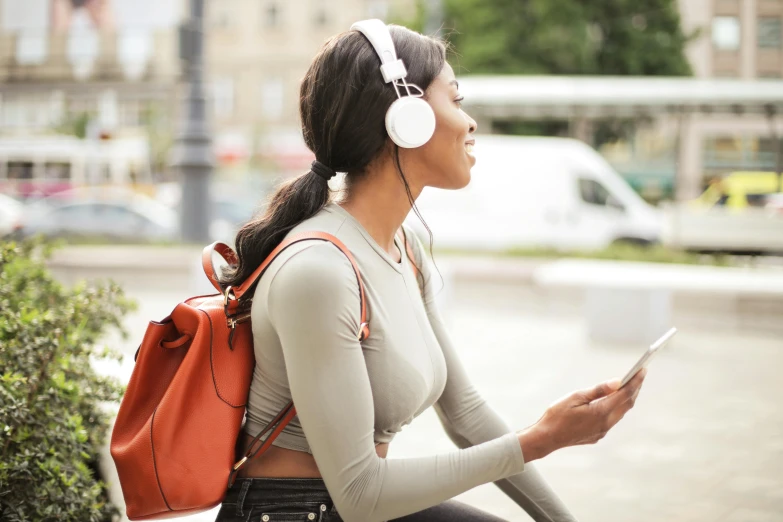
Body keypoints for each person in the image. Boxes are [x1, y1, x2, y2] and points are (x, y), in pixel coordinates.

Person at [216, 20, 646, 522]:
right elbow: (361, 493)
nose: (470, 123)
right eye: (457, 101)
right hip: (295, 512)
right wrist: (541, 440)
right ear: (407, 118)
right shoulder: (319, 271)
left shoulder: (405, 246)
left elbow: (466, 414)